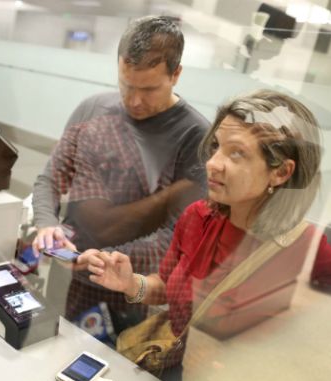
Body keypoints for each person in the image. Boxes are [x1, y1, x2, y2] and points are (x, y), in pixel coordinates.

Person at [79, 89, 331, 381]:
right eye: (216, 147)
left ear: (281, 172)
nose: (212, 163)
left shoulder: (305, 249)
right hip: (172, 372)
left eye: (236, 153)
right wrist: (130, 283)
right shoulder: (198, 217)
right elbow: (168, 287)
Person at [30, 15, 210, 332]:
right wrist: (46, 223)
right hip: (66, 272)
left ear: (176, 74)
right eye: (126, 85)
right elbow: (50, 180)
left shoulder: (195, 136)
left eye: (149, 89)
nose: (134, 100)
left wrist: (104, 260)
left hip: (128, 291)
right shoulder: (93, 109)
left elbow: (174, 236)